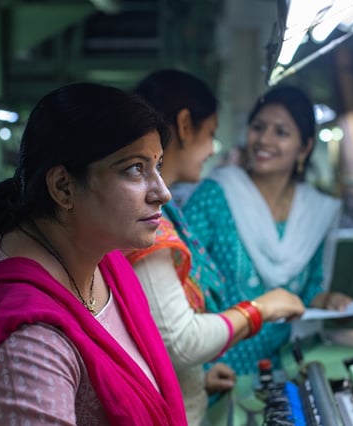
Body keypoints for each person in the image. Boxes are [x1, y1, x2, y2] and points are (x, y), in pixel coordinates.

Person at [0, 82, 187, 425]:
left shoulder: (103, 264)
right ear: (63, 186)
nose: (162, 192)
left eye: (158, 165)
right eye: (135, 168)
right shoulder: (28, 344)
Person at [124, 69, 305, 425]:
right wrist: (260, 308)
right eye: (210, 134)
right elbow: (180, 340)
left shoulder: (166, 211)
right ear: (185, 125)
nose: (212, 149)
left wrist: (195, 379)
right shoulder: (150, 220)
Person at [183, 85, 353, 375]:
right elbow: (182, 279)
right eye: (258, 127)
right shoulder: (217, 195)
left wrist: (330, 302)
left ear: (305, 147)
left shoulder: (314, 212)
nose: (264, 140)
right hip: (215, 368)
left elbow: (310, 290)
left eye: (281, 132)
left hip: (281, 369)